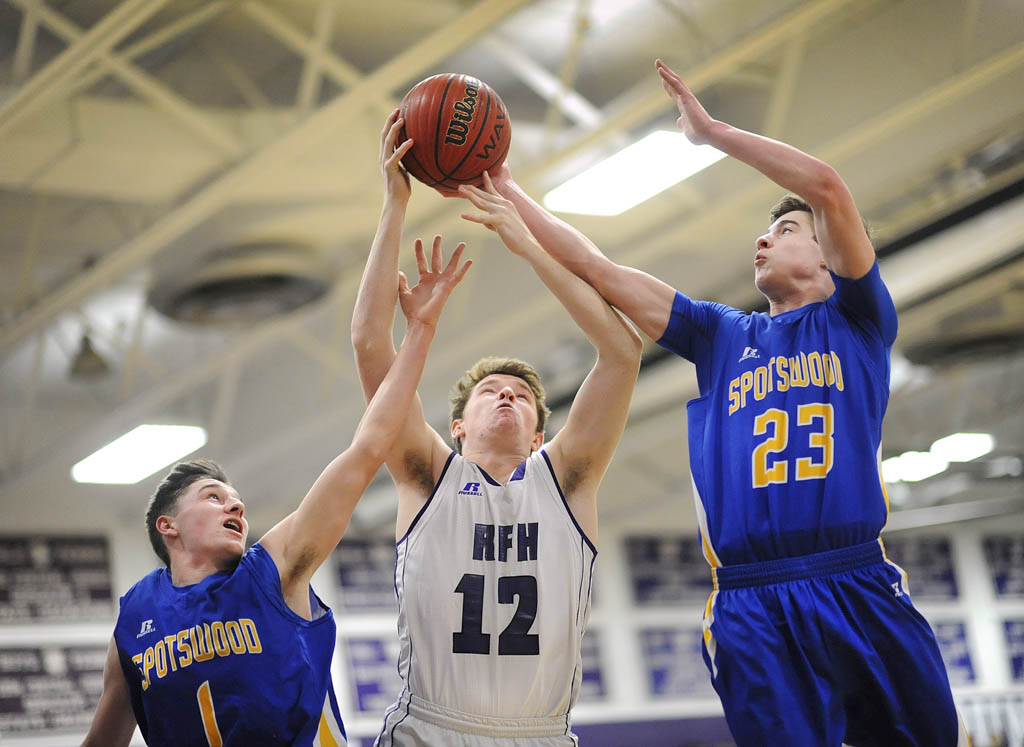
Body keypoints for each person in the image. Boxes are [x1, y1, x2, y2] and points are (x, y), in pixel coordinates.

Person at [488, 59, 969, 747]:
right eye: (765, 233)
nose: (763, 238)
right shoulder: (721, 335)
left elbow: (827, 186)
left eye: (787, 231)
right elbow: (597, 268)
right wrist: (511, 193)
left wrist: (711, 132)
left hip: (855, 576)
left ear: (829, 259)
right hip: (751, 598)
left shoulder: (858, 320)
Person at [81, 238, 471, 746]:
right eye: (213, 496)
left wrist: (420, 328)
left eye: (234, 497)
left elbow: (369, 446)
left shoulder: (274, 569)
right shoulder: (136, 618)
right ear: (167, 525)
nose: (235, 504)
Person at [351, 111, 641, 746]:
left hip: (540, 734)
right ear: (458, 427)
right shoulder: (427, 474)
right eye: (489, 392)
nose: (506, 396)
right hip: (431, 729)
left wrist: (528, 244)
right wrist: (394, 204)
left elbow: (622, 350)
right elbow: (371, 343)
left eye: (521, 396)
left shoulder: (567, 480)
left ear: (540, 435)